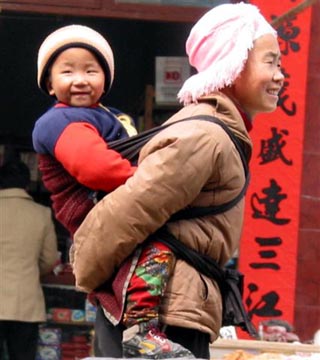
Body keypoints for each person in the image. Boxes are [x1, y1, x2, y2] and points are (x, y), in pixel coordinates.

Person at [71, 2, 284, 359]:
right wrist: (89, 275)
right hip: (155, 318)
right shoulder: (205, 135)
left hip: (174, 308)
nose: (280, 75)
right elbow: (128, 210)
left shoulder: (218, 132)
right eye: (270, 62)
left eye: (279, 64)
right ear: (233, 62)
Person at [32, 25, 193, 358]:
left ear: (105, 78)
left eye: (91, 70)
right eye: (67, 71)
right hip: (94, 209)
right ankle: (140, 329)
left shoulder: (110, 115)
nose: (80, 79)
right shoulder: (59, 121)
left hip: (117, 207)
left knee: (133, 266)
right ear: (49, 83)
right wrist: (153, 183)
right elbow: (97, 169)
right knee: (153, 252)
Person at [0, 159, 59, 360]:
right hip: (25, 304)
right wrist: (31, 271)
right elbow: (50, 259)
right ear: (27, 184)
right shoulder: (41, 214)